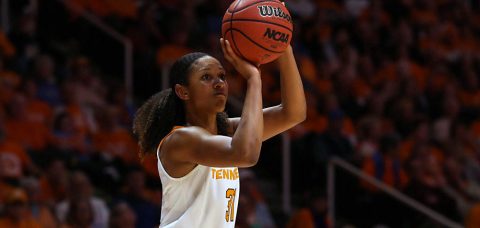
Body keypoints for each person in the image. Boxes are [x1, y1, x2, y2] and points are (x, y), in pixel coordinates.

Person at [133, 38, 306, 227]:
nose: (219, 83)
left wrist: (284, 47)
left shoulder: (225, 132)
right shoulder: (180, 139)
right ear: (183, 92)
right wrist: (254, 80)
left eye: (222, 76)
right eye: (206, 77)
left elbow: (293, 114)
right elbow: (245, 154)